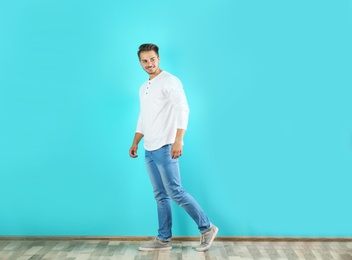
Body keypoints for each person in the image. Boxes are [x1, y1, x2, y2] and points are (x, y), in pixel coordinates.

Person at [129, 43, 218, 252]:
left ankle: (207, 228)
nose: (149, 64)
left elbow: (182, 108)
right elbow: (144, 117)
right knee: (160, 195)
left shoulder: (170, 81)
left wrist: (179, 140)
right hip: (149, 149)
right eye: (144, 61)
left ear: (158, 59)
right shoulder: (144, 88)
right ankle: (163, 239)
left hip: (166, 145)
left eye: (152, 59)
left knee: (175, 192)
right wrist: (135, 142)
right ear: (140, 63)